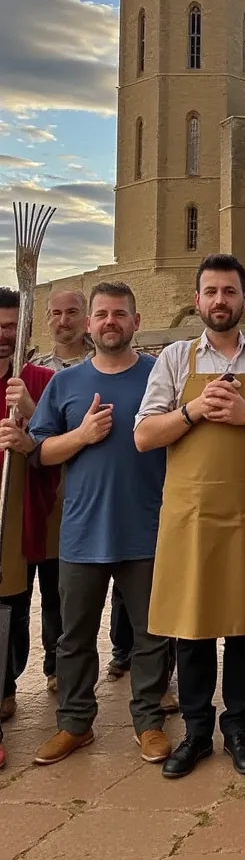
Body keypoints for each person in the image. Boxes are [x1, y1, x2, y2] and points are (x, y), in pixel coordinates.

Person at [135, 253, 245, 780]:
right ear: (198, 298)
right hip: (191, 514)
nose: (220, 301)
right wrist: (193, 411)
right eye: (211, 292)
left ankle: (239, 727)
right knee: (193, 625)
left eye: (229, 292)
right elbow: (143, 435)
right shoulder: (174, 361)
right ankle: (198, 730)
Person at [26, 283, 171, 766]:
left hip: (147, 529)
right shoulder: (63, 386)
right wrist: (82, 436)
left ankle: (148, 722)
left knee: (151, 636)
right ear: (90, 324)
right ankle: (74, 723)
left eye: (120, 314)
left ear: (135, 320)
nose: (110, 322)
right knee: (74, 637)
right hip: (83, 531)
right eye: (102, 314)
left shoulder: (159, 376)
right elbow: (41, 452)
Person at [26, 289, 92, 695]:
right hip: (49, 496)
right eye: (55, 313)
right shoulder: (31, 370)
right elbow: (37, 441)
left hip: (91, 494)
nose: (63, 320)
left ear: (85, 317)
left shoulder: (101, 365)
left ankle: (122, 658)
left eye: (71, 312)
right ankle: (55, 665)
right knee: (52, 587)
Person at [0, 289, 55, 767]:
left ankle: (6, 682)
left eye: (12, 328)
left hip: (21, 509)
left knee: (13, 604)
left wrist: (32, 416)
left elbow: (60, 446)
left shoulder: (40, 380)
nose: (4, 337)